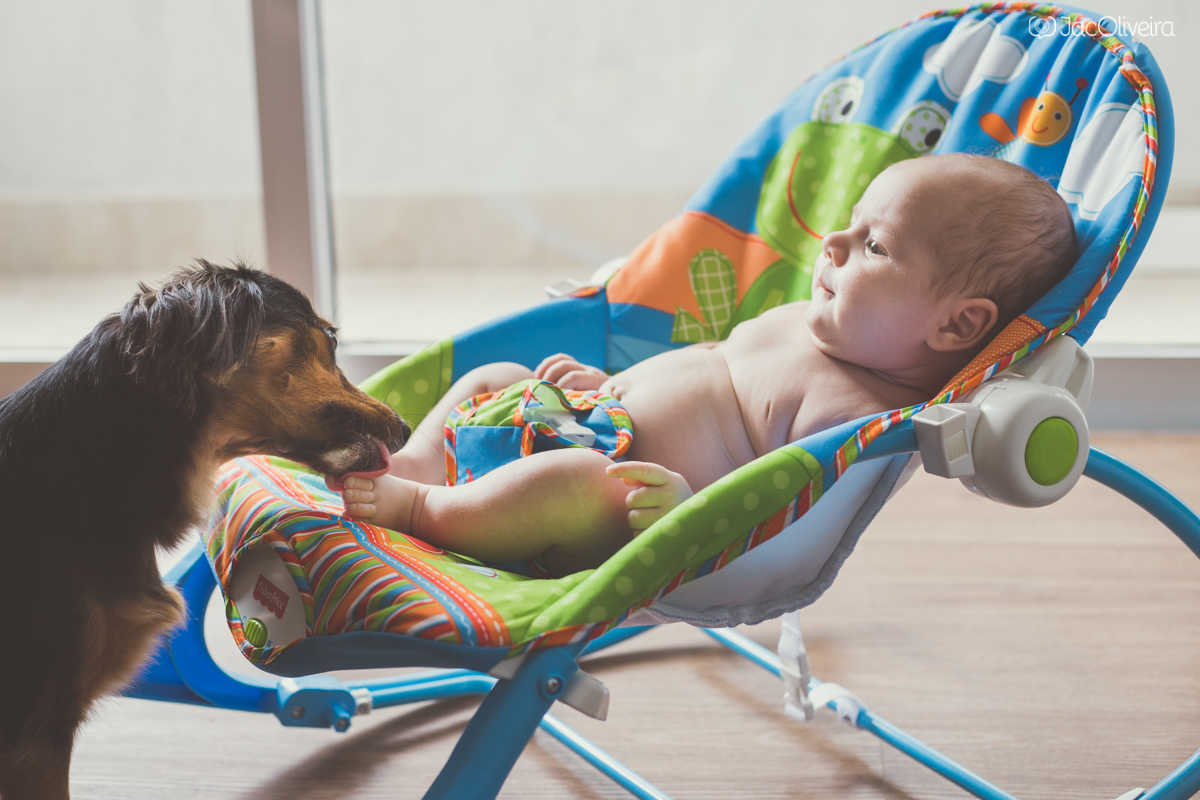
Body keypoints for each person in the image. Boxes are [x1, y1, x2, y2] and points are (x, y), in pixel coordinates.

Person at [337, 154, 1077, 576]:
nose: (833, 244)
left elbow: (772, 516)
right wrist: (610, 390)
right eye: (847, 226)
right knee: (494, 377)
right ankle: (417, 463)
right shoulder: (808, 325)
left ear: (959, 324)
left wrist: (687, 505)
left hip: (618, 501)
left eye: (875, 247)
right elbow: (697, 370)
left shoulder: (855, 416)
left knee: (575, 484)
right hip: (587, 421)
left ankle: (423, 511)